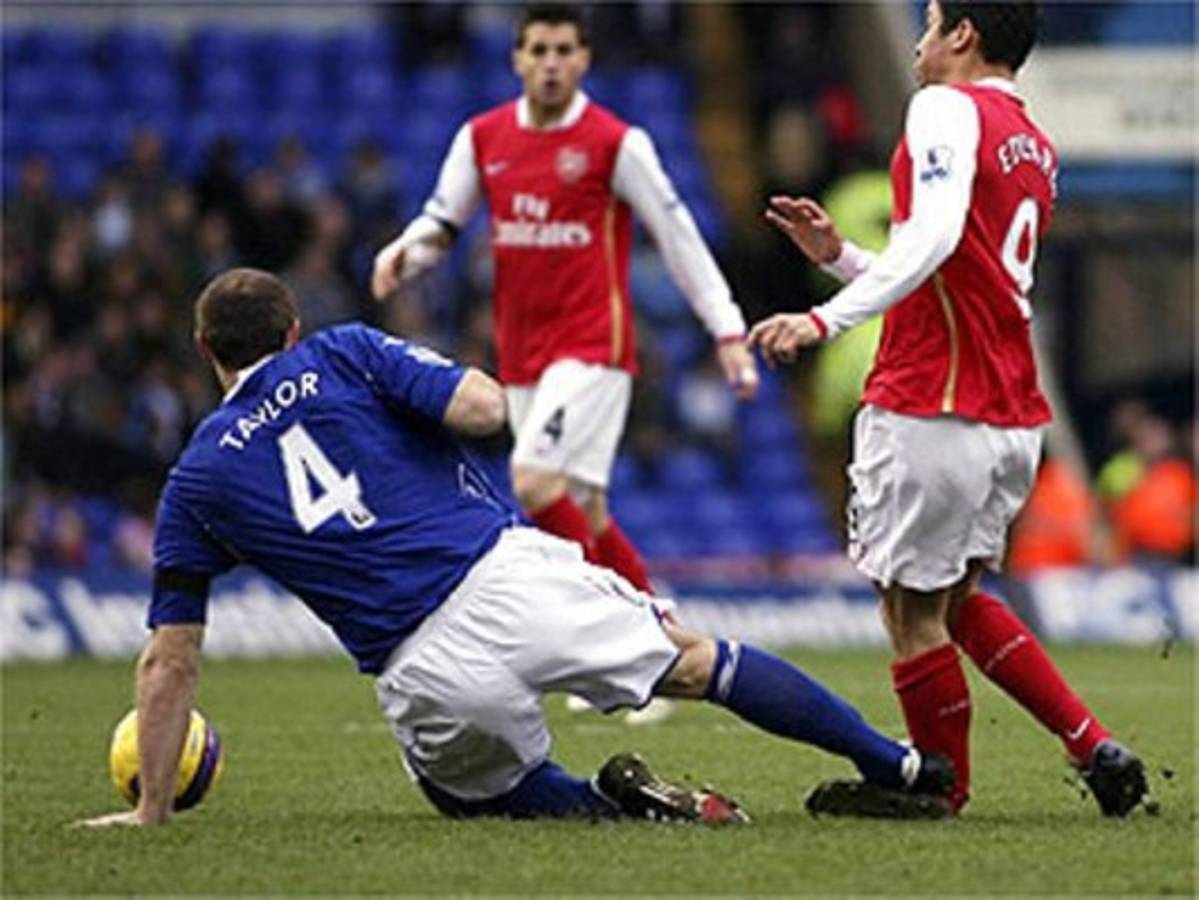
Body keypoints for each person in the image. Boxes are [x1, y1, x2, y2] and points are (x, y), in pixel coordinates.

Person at [78, 268, 952, 828]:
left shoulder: (194, 478)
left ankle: (616, 814)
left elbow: (169, 661)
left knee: (467, 795)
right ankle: (897, 765)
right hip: (499, 575)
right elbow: (486, 410)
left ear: (205, 352)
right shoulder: (344, 353)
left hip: (416, 667)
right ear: (292, 330)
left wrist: (153, 808)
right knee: (694, 662)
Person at [748, 0, 1147, 817]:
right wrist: (842, 258)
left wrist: (822, 319)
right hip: (1006, 415)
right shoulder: (1031, 140)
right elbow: (955, 266)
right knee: (955, 600)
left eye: (929, 22)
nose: (922, 42)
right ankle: (1092, 745)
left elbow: (929, 241)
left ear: (963, 33)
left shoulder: (940, 106)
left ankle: (941, 786)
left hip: (933, 402)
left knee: (907, 608)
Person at [370, 3, 759, 598]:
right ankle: (660, 638)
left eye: (563, 52)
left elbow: (677, 236)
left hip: (593, 346)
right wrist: (406, 251)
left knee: (533, 481)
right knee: (587, 509)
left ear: (584, 59)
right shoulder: (483, 138)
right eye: (539, 51)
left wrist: (726, 330)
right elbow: (442, 222)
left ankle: (606, 635)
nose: (551, 64)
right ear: (517, 59)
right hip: (522, 351)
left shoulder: (615, 144)